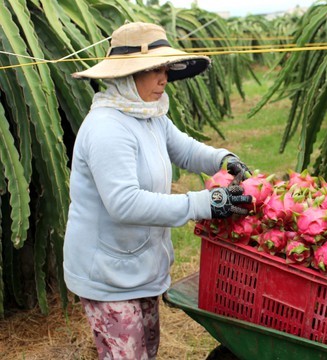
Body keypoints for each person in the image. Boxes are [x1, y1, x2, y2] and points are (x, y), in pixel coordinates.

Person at [64, 22, 252, 360]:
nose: (163, 78)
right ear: (124, 75)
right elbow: (125, 203)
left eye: (164, 68)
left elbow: (184, 149)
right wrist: (204, 203)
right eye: (152, 70)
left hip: (138, 264)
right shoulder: (108, 127)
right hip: (107, 274)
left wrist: (224, 159)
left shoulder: (149, 114)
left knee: (147, 350)